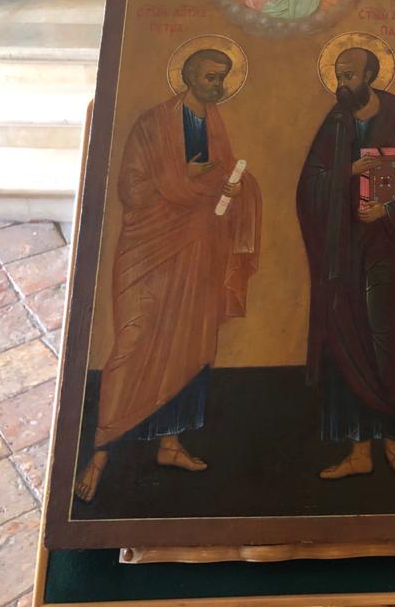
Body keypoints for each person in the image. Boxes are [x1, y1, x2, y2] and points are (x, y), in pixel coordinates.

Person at [74, 47, 262, 503]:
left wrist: (235, 187)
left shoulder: (214, 124)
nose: (217, 85)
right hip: (150, 248)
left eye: (222, 77)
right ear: (189, 76)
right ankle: (100, 451)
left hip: (198, 249)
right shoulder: (152, 125)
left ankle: (170, 444)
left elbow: (220, 188)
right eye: (210, 77)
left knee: (187, 341)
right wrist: (184, 178)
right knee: (135, 340)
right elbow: (132, 190)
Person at [296, 45, 395, 491]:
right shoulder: (335, 123)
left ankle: (394, 443)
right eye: (338, 75)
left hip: (391, 253)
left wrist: (387, 211)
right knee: (344, 343)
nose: (341, 83)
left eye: (349, 75)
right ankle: (358, 453)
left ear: (371, 75)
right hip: (343, 254)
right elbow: (308, 187)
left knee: (389, 343)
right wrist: (347, 170)